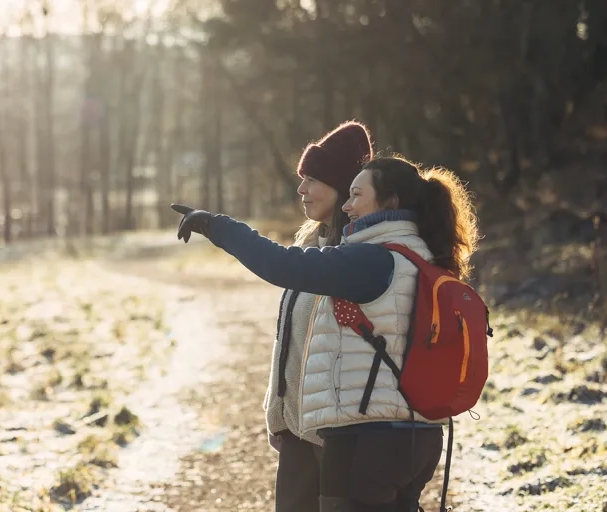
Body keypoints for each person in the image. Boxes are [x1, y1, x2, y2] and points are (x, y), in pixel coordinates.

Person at [171, 155, 479, 512]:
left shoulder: (373, 260)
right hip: (419, 436)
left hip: (365, 442)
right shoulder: (422, 258)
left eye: (356, 195)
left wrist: (217, 226)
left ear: (390, 201)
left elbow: (285, 265)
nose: (346, 206)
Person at [195, 121, 376, 512]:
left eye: (312, 179)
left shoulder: (359, 254)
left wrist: (218, 227)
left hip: (339, 437)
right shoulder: (313, 242)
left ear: (343, 185)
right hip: (299, 430)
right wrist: (278, 414)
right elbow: (291, 340)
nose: (301, 189)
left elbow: (276, 264)